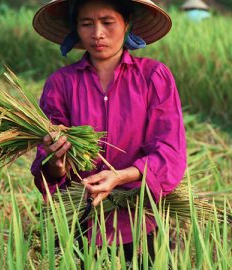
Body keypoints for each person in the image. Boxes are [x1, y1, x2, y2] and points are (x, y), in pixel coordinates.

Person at [30, 0, 187, 263]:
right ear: (75, 28)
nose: (97, 33)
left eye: (107, 22)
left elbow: (169, 151)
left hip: (137, 221)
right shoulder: (61, 84)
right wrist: (56, 162)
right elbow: (47, 168)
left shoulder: (153, 77)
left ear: (127, 24)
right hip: (78, 222)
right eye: (86, 24)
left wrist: (120, 176)